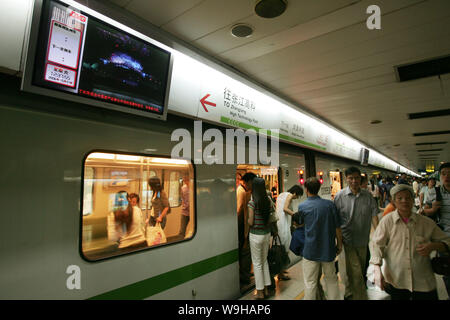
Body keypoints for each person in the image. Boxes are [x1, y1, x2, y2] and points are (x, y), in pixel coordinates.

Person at [370, 184, 450, 300]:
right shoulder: (387, 221)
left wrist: (433, 246)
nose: (404, 201)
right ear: (393, 201)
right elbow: (377, 245)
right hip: (397, 280)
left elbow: (447, 242)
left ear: (413, 200)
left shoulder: (426, 223)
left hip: (423, 281)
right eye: (400, 198)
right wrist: (377, 269)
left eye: (408, 198)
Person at [334, 166, 379, 300]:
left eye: (357, 178)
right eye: (351, 178)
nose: (354, 181)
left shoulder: (368, 196)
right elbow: (335, 221)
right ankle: (359, 296)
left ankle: (349, 293)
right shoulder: (339, 196)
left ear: (361, 178)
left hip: (362, 241)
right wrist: (337, 241)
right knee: (355, 271)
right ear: (346, 179)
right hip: (346, 240)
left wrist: (378, 236)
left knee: (356, 270)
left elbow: (374, 216)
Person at [298, 177, 343, 300]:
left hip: (310, 251)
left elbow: (300, 225)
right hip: (328, 249)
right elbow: (337, 227)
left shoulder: (302, 206)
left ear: (306, 189)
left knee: (310, 282)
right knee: (331, 279)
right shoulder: (329, 205)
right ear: (318, 189)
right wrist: (339, 244)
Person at [247, 177, 273, 299]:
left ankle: (260, 292)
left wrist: (247, 220)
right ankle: (267, 289)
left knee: (257, 264)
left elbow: (251, 222)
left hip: (256, 235)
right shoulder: (268, 200)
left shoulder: (252, 202)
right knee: (264, 261)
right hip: (266, 234)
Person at [275, 185, 304, 280]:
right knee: (284, 249)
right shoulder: (290, 196)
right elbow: (285, 209)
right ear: (295, 193)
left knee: (281, 249)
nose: (297, 198)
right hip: (283, 226)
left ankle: (281, 270)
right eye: (298, 196)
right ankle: (280, 273)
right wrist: (295, 215)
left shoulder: (281, 195)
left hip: (279, 224)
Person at [237, 172, 257, 285]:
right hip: (258, 231)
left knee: (246, 253)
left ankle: (245, 276)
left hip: (249, 229)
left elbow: (244, 214)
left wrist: (245, 233)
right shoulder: (265, 194)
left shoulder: (246, 194)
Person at [435, 162, 450, 297]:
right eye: (444, 174)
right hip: (444, 239)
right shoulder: (437, 192)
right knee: (447, 271)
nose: (447, 177)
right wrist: (432, 209)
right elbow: (425, 212)